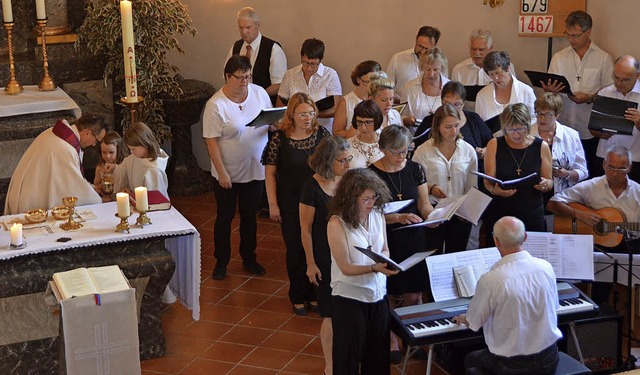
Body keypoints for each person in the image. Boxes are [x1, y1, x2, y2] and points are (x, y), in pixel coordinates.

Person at [453, 216, 562, 375]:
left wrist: (465, 318)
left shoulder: (491, 280)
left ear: (496, 241)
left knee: (470, 359)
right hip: (550, 358)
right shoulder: (545, 267)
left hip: (512, 366)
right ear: (525, 237)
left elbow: (473, 322)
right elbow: (554, 306)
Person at [369, 125, 435, 362]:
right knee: (388, 289)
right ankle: (391, 336)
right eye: (396, 152)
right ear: (383, 149)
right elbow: (368, 215)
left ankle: (407, 329)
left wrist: (432, 217)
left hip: (414, 235)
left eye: (405, 151)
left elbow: (424, 204)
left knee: (414, 290)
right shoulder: (371, 174)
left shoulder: (416, 169)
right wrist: (396, 218)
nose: (401, 157)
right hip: (387, 237)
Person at [203, 55, 272, 280]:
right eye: (240, 77)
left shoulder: (259, 93)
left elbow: (269, 121)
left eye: (248, 76)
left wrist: (276, 124)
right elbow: (211, 141)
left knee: (249, 216)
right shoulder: (216, 105)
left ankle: (249, 258)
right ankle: (221, 261)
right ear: (227, 76)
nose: (245, 82)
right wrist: (222, 172)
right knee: (225, 217)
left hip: (255, 168)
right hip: (228, 171)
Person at [262, 92, 330, 314]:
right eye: (302, 114)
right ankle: (298, 294)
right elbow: (270, 174)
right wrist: (273, 204)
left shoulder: (322, 134)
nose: (307, 118)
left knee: (319, 248)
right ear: (292, 114)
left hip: (318, 201)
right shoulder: (279, 140)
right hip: (290, 201)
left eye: (311, 113)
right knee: (295, 249)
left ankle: (316, 293)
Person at [327, 168, 399, 374]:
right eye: (366, 199)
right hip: (350, 298)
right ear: (351, 198)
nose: (371, 203)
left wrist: (386, 261)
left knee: (377, 356)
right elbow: (345, 267)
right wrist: (375, 268)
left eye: (374, 197)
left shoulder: (377, 214)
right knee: (348, 357)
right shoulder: (336, 223)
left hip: (377, 295)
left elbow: (384, 247)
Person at [300, 136, 351, 375]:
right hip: (323, 255)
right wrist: (311, 263)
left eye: (349, 159)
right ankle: (330, 366)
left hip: (346, 254)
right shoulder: (311, 187)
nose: (347, 165)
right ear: (328, 161)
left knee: (346, 312)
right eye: (342, 160)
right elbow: (306, 229)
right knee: (329, 313)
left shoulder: (347, 181)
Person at [543, 10, 614, 177]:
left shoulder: (603, 58)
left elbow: (611, 94)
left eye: (576, 35)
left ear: (588, 32)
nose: (571, 40)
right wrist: (550, 91)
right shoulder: (559, 58)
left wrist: (590, 97)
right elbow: (550, 94)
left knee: (589, 174)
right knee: (564, 175)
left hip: (590, 129)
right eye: (568, 35)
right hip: (563, 126)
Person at [5, 114, 107, 215]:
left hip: (24, 191)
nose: (94, 144)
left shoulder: (55, 133)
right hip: (30, 203)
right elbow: (73, 188)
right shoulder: (65, 149)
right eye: (97, 141)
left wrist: (91, 188)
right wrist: (97, 200)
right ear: (88, 133)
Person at [483, 104, 553, 246]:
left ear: (527, 125)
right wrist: (494, 190)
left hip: (531, 211)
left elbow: (549, 181)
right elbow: (488, 180)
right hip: (502, 210)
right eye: (510, 129)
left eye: (520, 128)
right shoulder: (494, 144)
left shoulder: (541, 146)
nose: (515, 134)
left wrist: (545, 185)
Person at [412, 103, 478, 252]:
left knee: (456, 254)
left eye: (456, 125)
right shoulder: (423, 151)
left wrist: (467, 210)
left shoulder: (468, 150)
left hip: (460, 211)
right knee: (432, 254)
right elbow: (414, 183)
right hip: (433, 209)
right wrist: (431, 188)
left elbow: (472, 187)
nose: (453, 131)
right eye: (448, 127)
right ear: (437, 126)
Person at [530, 93, 588, 230]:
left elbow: (583, 171)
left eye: (547, 114)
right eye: (538, 113)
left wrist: (566, 174)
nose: (542, 118)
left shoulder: (571, 135)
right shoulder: (527, 133)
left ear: (557, 114)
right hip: (532, 198)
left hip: (561, 199)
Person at [277, 38, 342, 132]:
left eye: (313, 64)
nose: (308, 68)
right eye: (305, 62)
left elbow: (337, 109)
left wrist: (311, 114)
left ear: (320, 60)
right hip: (295, 130)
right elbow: (280, 106)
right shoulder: (290, 75)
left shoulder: (330, 75)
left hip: (321, 130)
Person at [226, 6, 287, 104]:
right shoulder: (236, 47)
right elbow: (228, 77)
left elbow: (278, 85)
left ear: (257, 25)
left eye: (248, 27)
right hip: (238, 104)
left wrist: (255, 98)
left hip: (264, 105)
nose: (244, 32)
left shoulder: (273, 49)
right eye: (241, 28)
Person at [594, 55, 640, 183]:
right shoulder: (604, 93)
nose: (619, 83)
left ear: (637, 76)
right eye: (616, 78)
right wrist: (602, 132)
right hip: (605, 157)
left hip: (634, 160)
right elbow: (593, 129)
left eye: (625, 80)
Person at [475, 51, 536, 133]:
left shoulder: (526, 91)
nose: (496, 78)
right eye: (491, 74)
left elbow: (534, 119)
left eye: (498, 73)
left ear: (508, 68)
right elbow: (479, 126)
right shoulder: (482, 95)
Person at [109, 122, 170, 198]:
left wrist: (133, 196)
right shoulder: (135, 157)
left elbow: (155, 199)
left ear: (144, 144)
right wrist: (114, 168)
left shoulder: (153, 170)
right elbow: (123, 172)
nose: (131, 152)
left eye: (133, 149)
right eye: (130, 149)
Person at [387, 26, 441, 99]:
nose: (422, 51)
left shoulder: (439, 63)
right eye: (420, 46)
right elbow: (387, 86)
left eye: (427, 49)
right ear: (416, 39)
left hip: (429, 107)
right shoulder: (398, 58)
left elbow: (442, 87)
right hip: (401, 105)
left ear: (434, 46)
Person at [401, 47, 450, 126]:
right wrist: (408, 120)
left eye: (435, 70)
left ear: (442, 68)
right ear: (422, 67)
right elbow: (402, 115)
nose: (431, 74)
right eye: (427, 69)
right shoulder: (409, 87)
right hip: (416, 134)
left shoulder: (449, 87)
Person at [333, 60, 382, 138]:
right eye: (367, 82)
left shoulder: (380, 99)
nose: (372, 86)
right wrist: (360, 134)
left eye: (375, 82)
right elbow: (337, 132)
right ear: (358, 79)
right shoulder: (346, 102)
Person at [451, 29, 516, 87]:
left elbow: (513, 91)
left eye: (481, 50)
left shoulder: (505, 67)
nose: (477, 53)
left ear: (490, 49)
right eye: (473, 49)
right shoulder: (458, 70)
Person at [347, 100, 385, 169]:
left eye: (368, 122)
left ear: (377, 121)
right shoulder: (347, 145)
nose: (363, 128)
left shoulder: (386, 142)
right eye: (360, 122)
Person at [94, 131, 128, 196]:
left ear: (118, 151)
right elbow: (96, 186)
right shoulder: (100, 167)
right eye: (104, 152)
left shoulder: (124, 166)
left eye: (111, 152)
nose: (107, 156)